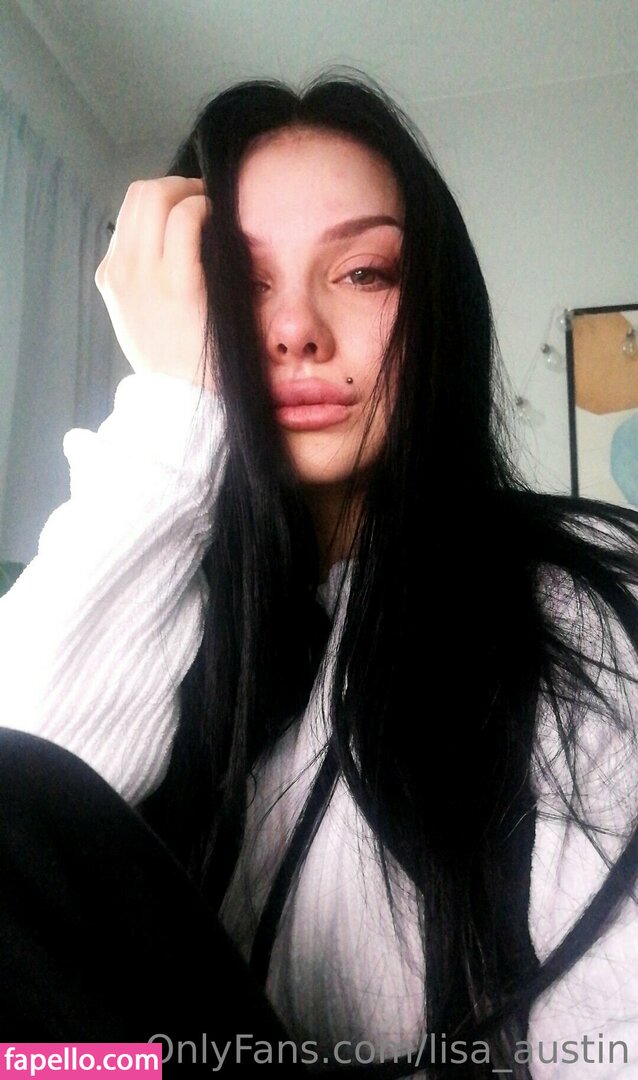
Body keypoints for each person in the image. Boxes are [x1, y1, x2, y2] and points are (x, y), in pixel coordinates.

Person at [1, 70, 638, 1079]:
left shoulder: (578, 600)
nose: (295, 329)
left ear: (435, 309)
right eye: (239, 281)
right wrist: (173, 410)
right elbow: (20, 841)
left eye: (363, 272)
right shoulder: (153, 601)